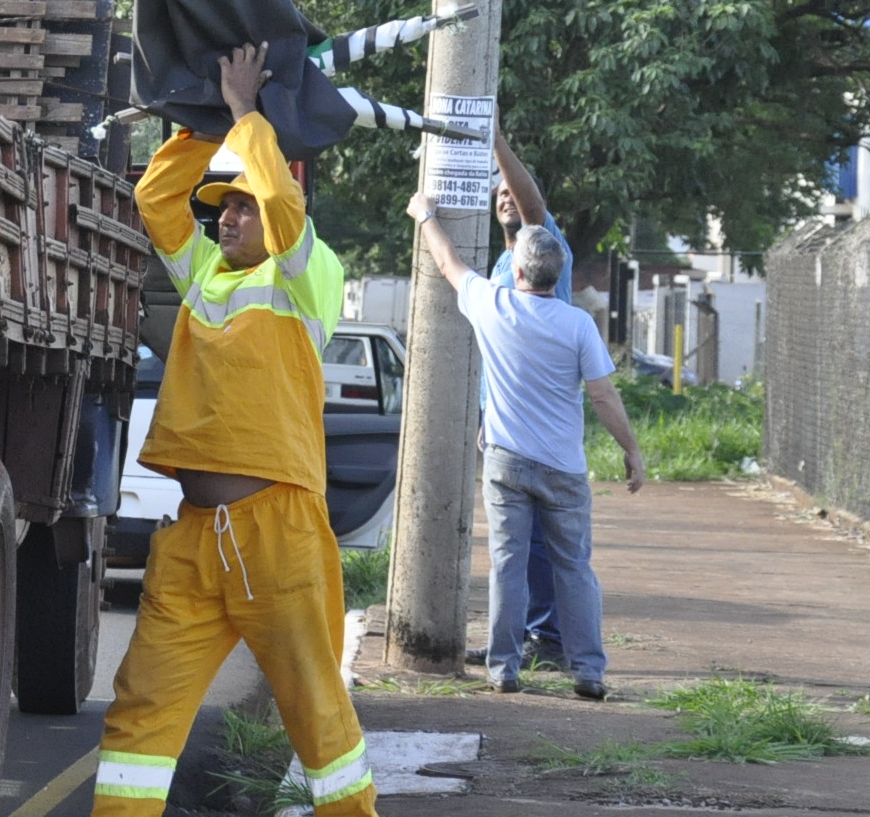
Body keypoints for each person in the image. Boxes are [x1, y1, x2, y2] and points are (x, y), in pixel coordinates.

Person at [93, 45, 376, 817]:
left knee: (318, 717)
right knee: (141, 711)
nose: (228, 218)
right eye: (223, 208)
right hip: (194, 539)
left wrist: (248, 111)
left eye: (242, 205)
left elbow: (282, 208)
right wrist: (196, 123)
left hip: (276, 535)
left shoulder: (304, 271)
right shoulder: (206, 276)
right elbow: (159, 201)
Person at [408, 189, 644, 698]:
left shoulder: (492, 306)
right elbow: (603, 396)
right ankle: (588, 671)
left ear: (516, 272)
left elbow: (448, 263)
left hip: (506, 462)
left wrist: (425, 215)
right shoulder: (577, 324)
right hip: (563, 466)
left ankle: (504, 668)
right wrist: (632, 450)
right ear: (557, 276)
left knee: (507, 565)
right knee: (574, 568)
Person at [492, 127, 574, 664]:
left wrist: (495, 140)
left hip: (540, 421)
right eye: (497, 192)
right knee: (513, 541)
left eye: (512, 191)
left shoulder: (545, 247)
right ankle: (518, 636)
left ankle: (549, 637)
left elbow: (534, 208)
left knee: (539, 539)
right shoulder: (502, 266)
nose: (505, 197)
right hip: (503, 418)